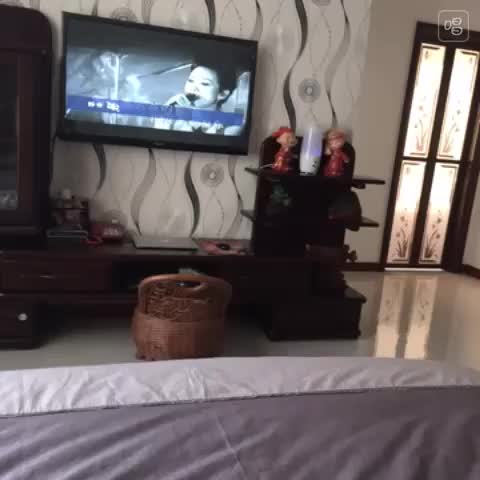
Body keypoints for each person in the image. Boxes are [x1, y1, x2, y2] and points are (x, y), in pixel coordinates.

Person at [155, 60, 243, 135]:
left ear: (223, 94)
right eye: (190, 80)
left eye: (205, 83)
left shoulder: (229, 128)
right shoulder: (171, 113)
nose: (193, 88)